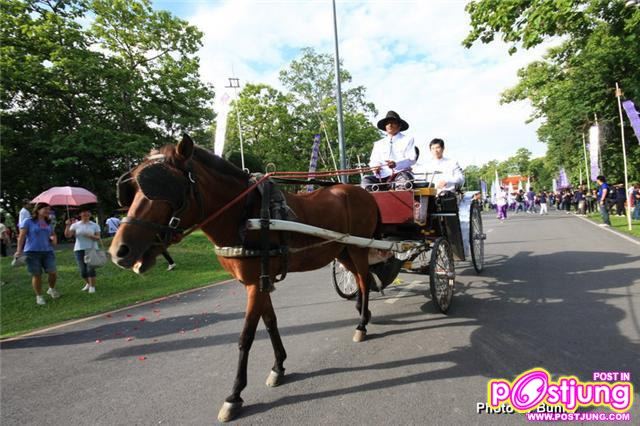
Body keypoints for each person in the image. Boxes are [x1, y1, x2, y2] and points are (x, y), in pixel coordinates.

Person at [14, 202, 59, 305]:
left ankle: (51, 289)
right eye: (45, 209)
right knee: (37, 274)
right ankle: (39, 296)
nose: (48, 211)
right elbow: (21, 236)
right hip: (32, 252)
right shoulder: (28, 221)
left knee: (52, 272)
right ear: (38, 210)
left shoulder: (48, 222)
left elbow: (53, 234)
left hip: (48, 251)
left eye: (49, 209)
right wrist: (19, 250)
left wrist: (54, 240)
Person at [361, 111, 416, 191]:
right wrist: (375, 167)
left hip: (400, 174)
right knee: (365, 180)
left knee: (405, 181)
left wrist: (396, 164)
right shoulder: (378, 143)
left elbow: (411, 159)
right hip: (382, 177)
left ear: (399, 126)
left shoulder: (408, 140)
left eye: (393, 123)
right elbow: (373, 160)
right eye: (387, 123)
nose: (390, 125)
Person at [64, 207, 101, 293]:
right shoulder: (75, 225)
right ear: (80, 214)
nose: (86, 214)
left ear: (90, 214)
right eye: (83, 212)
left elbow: (98, 237)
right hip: (79, 249)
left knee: (90, 269)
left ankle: (92, 287)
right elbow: (68, 236)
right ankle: (88, 283)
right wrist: (67, 225)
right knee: (83, 271)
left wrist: (90, 236)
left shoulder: (94, 225)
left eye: (88, 212)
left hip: (92, 248)